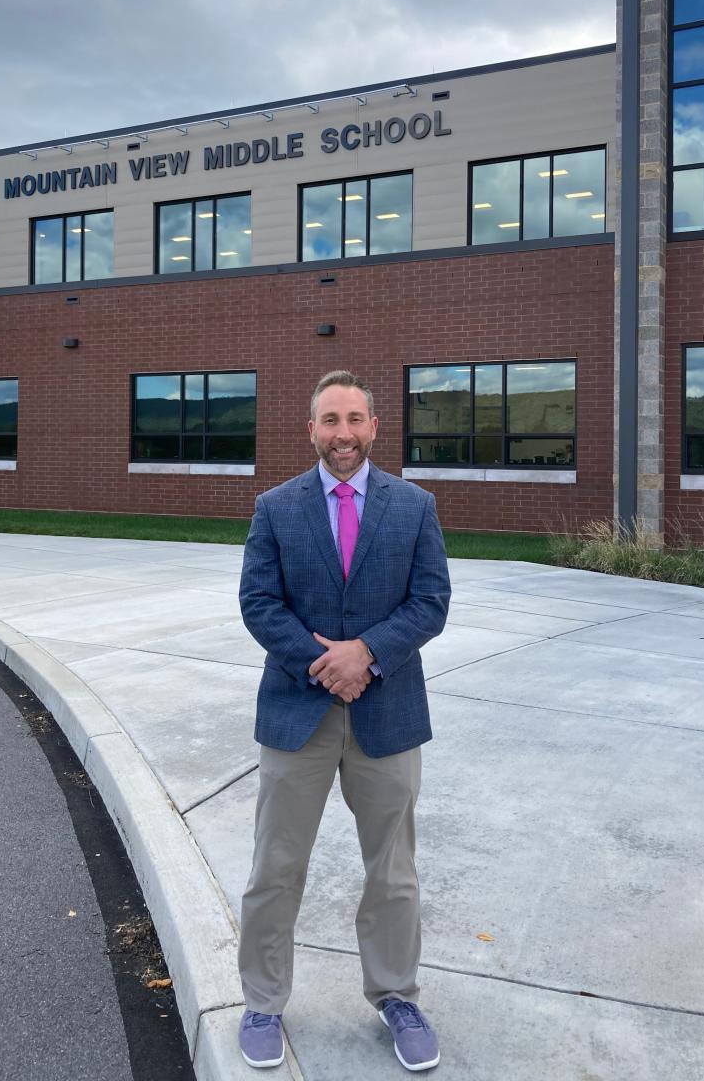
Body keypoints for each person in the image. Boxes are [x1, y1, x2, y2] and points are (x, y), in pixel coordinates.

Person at [236, 369, 451, 1072]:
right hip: (298, 714)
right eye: (330, 420)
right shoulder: (276, 507)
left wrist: (367, 654)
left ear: (375, 428)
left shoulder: (414, 506)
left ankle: (396, 995)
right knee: (276, 866)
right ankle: (263, 1001)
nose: (344, 434)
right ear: (311, 430)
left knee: (392, 873)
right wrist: (325, 663)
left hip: (387, 716)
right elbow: (260, 603)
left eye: (355, 419)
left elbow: (430, 602)